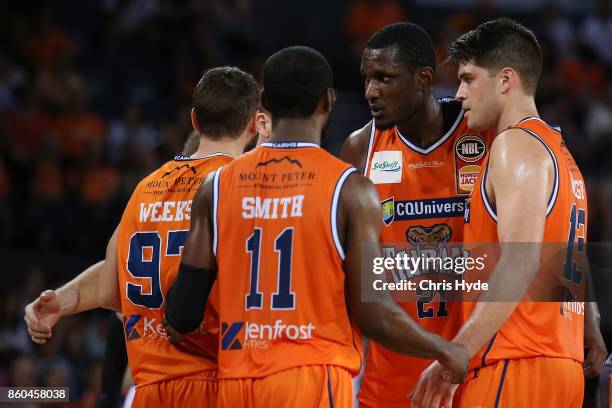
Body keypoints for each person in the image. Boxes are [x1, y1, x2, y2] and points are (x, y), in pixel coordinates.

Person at [162, 45, 469, 408]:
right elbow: (374, 316)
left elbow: (181, 314)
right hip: (311, 376)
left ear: (264, 102)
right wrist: (447, 351)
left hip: (237, 380)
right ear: (327, 101)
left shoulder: (215, 187)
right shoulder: (348, 187)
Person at [23, 66, 261, 407]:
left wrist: (60, 301)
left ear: (194, 120)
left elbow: (109, 286)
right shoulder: (239, 185)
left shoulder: (144, 189)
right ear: (254, 123)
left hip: (147, 390)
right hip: (214, 383)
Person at [411, 19, 607, 408]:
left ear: (505, 80)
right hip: (561, 365)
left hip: (515, 366)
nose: (460, 93)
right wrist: (591, 321)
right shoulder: (561, 152)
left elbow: (522, 259)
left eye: (468, 78)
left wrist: (457, 354)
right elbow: (568, 252)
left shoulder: (513, 145)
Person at [340, 22, 494, 407]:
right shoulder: (361, 149)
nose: (370, 92)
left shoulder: (484, 135)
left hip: (470, 372)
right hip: (388, 382)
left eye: (385, 78)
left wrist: (585, 311)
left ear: (424, 78)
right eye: (367, 79)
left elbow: (551, 223)